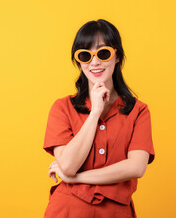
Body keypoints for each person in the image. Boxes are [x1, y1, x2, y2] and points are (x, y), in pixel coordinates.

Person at [43, 19, 155, 218]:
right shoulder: (62, 108)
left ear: (117, 56)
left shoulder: (138, 111)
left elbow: (136, 167)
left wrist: (75, 178)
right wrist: (95, 112)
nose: (94, 62)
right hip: (67, 211)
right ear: (79, 62)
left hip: (116, 213)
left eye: (103, 53)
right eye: (85, 55)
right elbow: (68, 164)